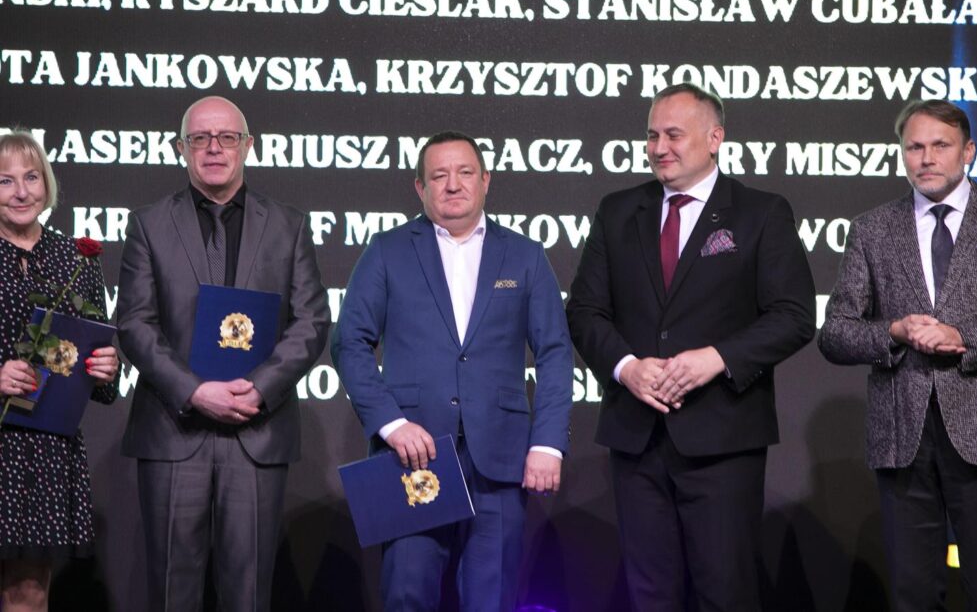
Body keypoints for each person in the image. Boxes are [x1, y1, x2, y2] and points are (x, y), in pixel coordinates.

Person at [566, 83, 815, 611]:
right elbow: (585, 311)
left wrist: (716, 359)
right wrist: (626, 367)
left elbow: (794, 316)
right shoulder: (618, 211)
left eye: (674, 135)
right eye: (652, 136)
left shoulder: (760, 212)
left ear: (715, 138)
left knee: (725, 592)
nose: (660, 148)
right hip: (637, 438)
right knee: (650, 595)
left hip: (722, 438)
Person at [334, 130, 573, 612]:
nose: (453, 184)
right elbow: (348, 342)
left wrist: (547, 443)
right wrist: (392, 424)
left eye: (465, 172)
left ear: (486, 180)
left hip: (500, 459)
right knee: (407, 595)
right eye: (439, 175)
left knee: (492, 600)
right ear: (419, 187)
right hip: (412, 455)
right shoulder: (386, 250)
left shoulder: (524, 255)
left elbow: (554, 352)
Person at [116, 97, 330, 612]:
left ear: (247, 146)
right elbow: (135, 323)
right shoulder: (148, 224)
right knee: (172, 593)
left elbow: (311, 321)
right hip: (174, 429)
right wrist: (194, 391)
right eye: (200, 138)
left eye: (227, 137)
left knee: (248, 594)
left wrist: (259, 388)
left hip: (257, 428)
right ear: (181, 149)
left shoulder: (289, 225)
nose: (214, 148)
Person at [819, 99, 977, 611]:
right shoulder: (872, 229)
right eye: (914, 147)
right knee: (912, 595)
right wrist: (893, 331)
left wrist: (964, 336)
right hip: (901, 436)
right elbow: (835, 333)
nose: (926, 158)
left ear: (968, 151)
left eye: (940, 145)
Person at [0, 131, 119, 611]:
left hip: (44, 446)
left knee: (28, 592)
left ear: (46, 184)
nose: (21, 192)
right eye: (5, 181)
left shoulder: (75, 259)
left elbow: (98, 366)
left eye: (31, 177)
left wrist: (107, 366)